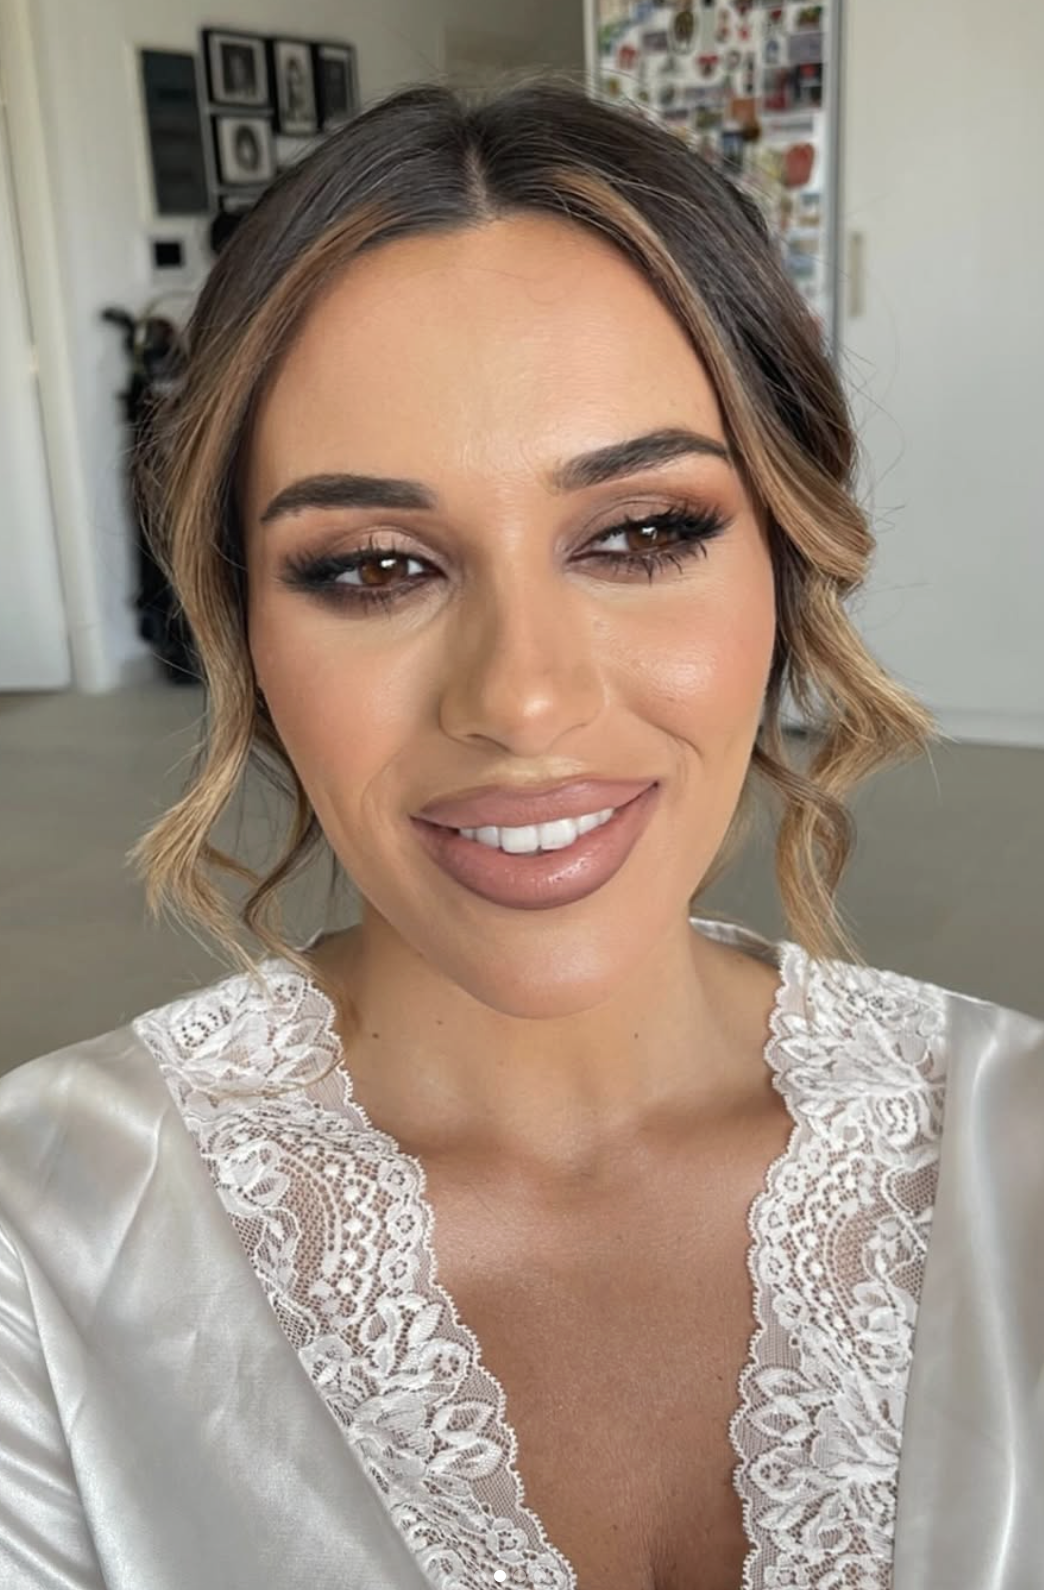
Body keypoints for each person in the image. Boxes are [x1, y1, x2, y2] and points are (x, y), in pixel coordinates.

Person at [0, 78, 1040, 1590]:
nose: (524, 699)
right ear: (243, 628)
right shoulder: (42, 1243)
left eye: (639, 531)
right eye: (373, 564)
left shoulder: (1017, 1148)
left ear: (790, 555)